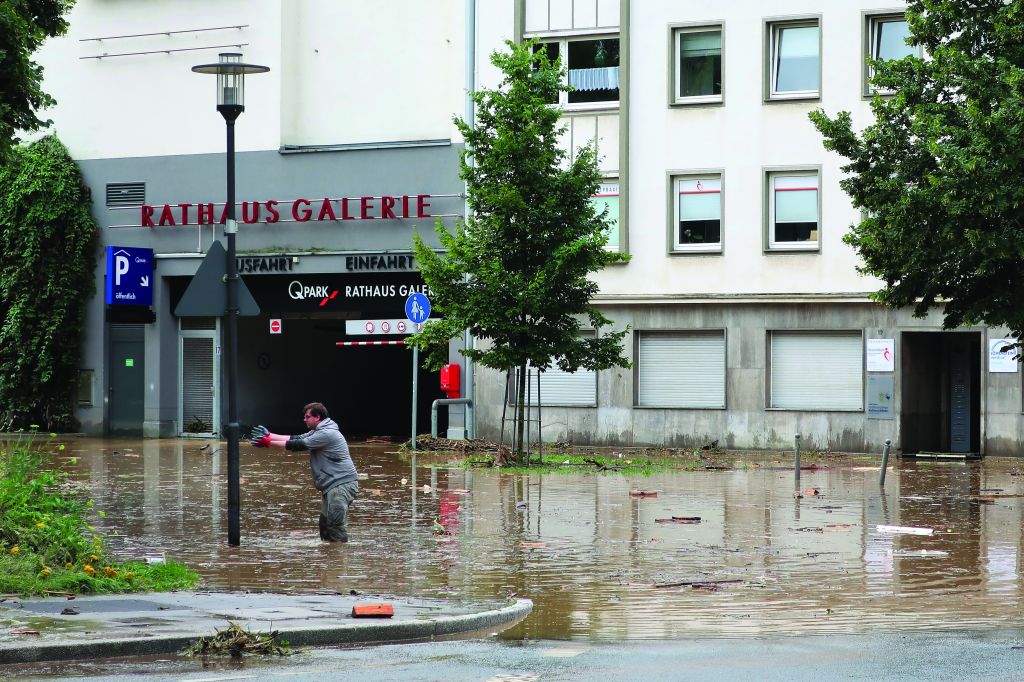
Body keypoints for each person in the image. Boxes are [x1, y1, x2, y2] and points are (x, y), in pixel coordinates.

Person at [249, 403, 359, 542]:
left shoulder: (327, 433)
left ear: (317, 417)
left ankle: (339, 560)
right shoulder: (319, 430)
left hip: (341, 484)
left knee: (335, 526)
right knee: (325, 526)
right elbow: (297, 438)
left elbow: (299, 445)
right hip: (332, 486)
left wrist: (268, 442)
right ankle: (329, 558)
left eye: (307, 417)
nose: (304, 420)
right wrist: (270, 435)